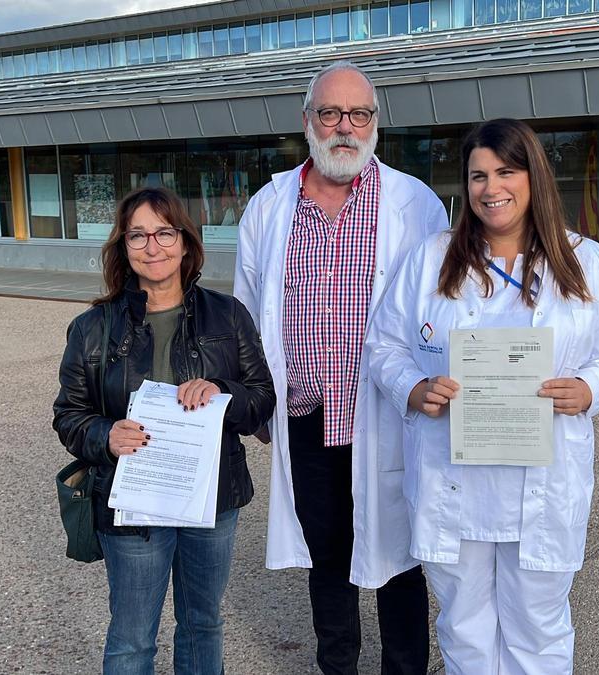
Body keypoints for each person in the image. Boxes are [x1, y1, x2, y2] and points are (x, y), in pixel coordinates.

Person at [364, 118, 599, 674]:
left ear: (533, 176)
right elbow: (384, 346)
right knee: (463, 625)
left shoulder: (586, 261)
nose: (492, 188)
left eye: (505, 171)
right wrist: (414, 388)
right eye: (478, 176)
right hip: (454, 479)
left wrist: (588, 389)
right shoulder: (432, 258)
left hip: (540, 483)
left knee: (538, 626)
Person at [233, 61, 448, 674]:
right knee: (327, 558)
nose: (344, 127)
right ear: (307, 122)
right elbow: (247, 312)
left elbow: (444, 308)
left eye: (359, 114)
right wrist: (253, 398)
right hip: (306, 415)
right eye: (330, 113)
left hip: (390, 414)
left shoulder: (417, 203)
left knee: (400, 557)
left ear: (376, 124)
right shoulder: (270, 206)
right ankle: (339, 667)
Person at [52, 187, 275, 674]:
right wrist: (104, 435)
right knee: (133, 636)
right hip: (134, 500)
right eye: (138, 235)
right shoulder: (92, 327)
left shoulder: (228, 314)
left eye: (164, 233)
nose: (153, 247)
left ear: (186, 242)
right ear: (123, 246)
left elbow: (262, 399)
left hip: (210, 498)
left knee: (203, 622)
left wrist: (220, 390)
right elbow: (69, 414)